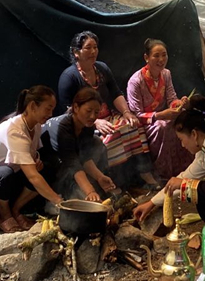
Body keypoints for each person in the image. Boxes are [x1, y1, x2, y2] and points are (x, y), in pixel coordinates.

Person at [57, 31, 158, 188]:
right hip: (86, 125)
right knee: (111, 136)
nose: (93, 51)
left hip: (108, 116)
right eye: (88, 48)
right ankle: (113, 182)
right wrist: (95, 121)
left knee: (132, 125)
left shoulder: (102, 68)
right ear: (76, 52)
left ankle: (144, 173)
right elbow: (69, 111)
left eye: (95, 47)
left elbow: (116, 93)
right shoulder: (69, 77)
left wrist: (126, 112)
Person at [0, 85, 64, 232]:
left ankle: (15, 210)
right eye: (48, 108)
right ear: (32, 106)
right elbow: (32, 176)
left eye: (52, 109)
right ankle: (3, 215)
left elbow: (31, 152)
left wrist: (36, 158)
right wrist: (59, 202)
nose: (51, 113)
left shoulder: (35, 125)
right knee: (6, 173)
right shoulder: (15, 130)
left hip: (10, 171)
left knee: (47, 168)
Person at [131, 96, 205, 222]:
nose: (182, 145)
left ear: (194, 134)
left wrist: (184, 184)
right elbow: (183, 178)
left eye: (181, 140)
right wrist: (151, 203)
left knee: (203, 200)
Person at [126, 38, 193, 181]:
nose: (161, 59)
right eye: (156, 55)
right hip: (147, 123)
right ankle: (163, 173)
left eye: (164, 55)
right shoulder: (136, 81)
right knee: (163, 127)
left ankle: (186, 170)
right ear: (146, 57)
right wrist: (160, 115)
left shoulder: (166, 74)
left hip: (164, 117)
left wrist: (180, 103)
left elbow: (171, 99)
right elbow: (136, 114)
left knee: (185, 119)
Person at [45, 87, 119, 202]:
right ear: (76, 107)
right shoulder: (64, 127)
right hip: (48, 161)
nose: (93, 116)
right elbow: (72, 162)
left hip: (67, 161)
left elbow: (85, 158)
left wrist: (99, 177)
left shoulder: (86, 125)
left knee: (97, 143)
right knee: (78, 192)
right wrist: (90, 191)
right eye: (88, 111)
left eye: (96, 112)